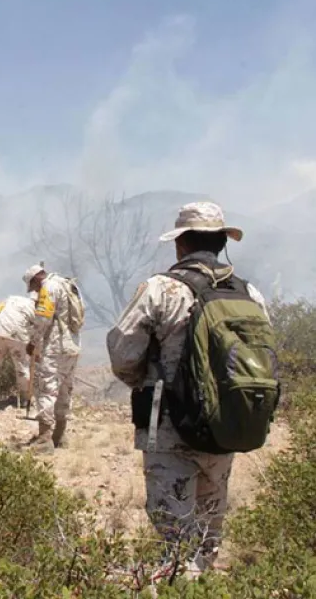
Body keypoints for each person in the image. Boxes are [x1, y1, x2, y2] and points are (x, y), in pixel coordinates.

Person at [106, 202, 270, 576]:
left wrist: (145, 382)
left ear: (180, 244)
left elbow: (122, 352)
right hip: (225, 428)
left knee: (174, 541)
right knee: (210, 532)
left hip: (169, 430)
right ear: (221, 243)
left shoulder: (161, 289)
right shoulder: (250, 294)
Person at [21, 264, 85, 454]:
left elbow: (43, 317)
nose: (35, 291)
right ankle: (60, 435)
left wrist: (33, 342)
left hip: (55, 346)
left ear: (35, 279)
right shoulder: (68, 284)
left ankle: (44, 439)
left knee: (46, 389)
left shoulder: (48, 288)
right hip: (72, 344)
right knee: (65, 388)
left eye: (33, 287)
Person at [0, 294, 37, 408]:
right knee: (22, 368)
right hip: (18, 336)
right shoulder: (35, 308)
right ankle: (25, 400)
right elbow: (37, 328)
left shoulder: (12, 299)